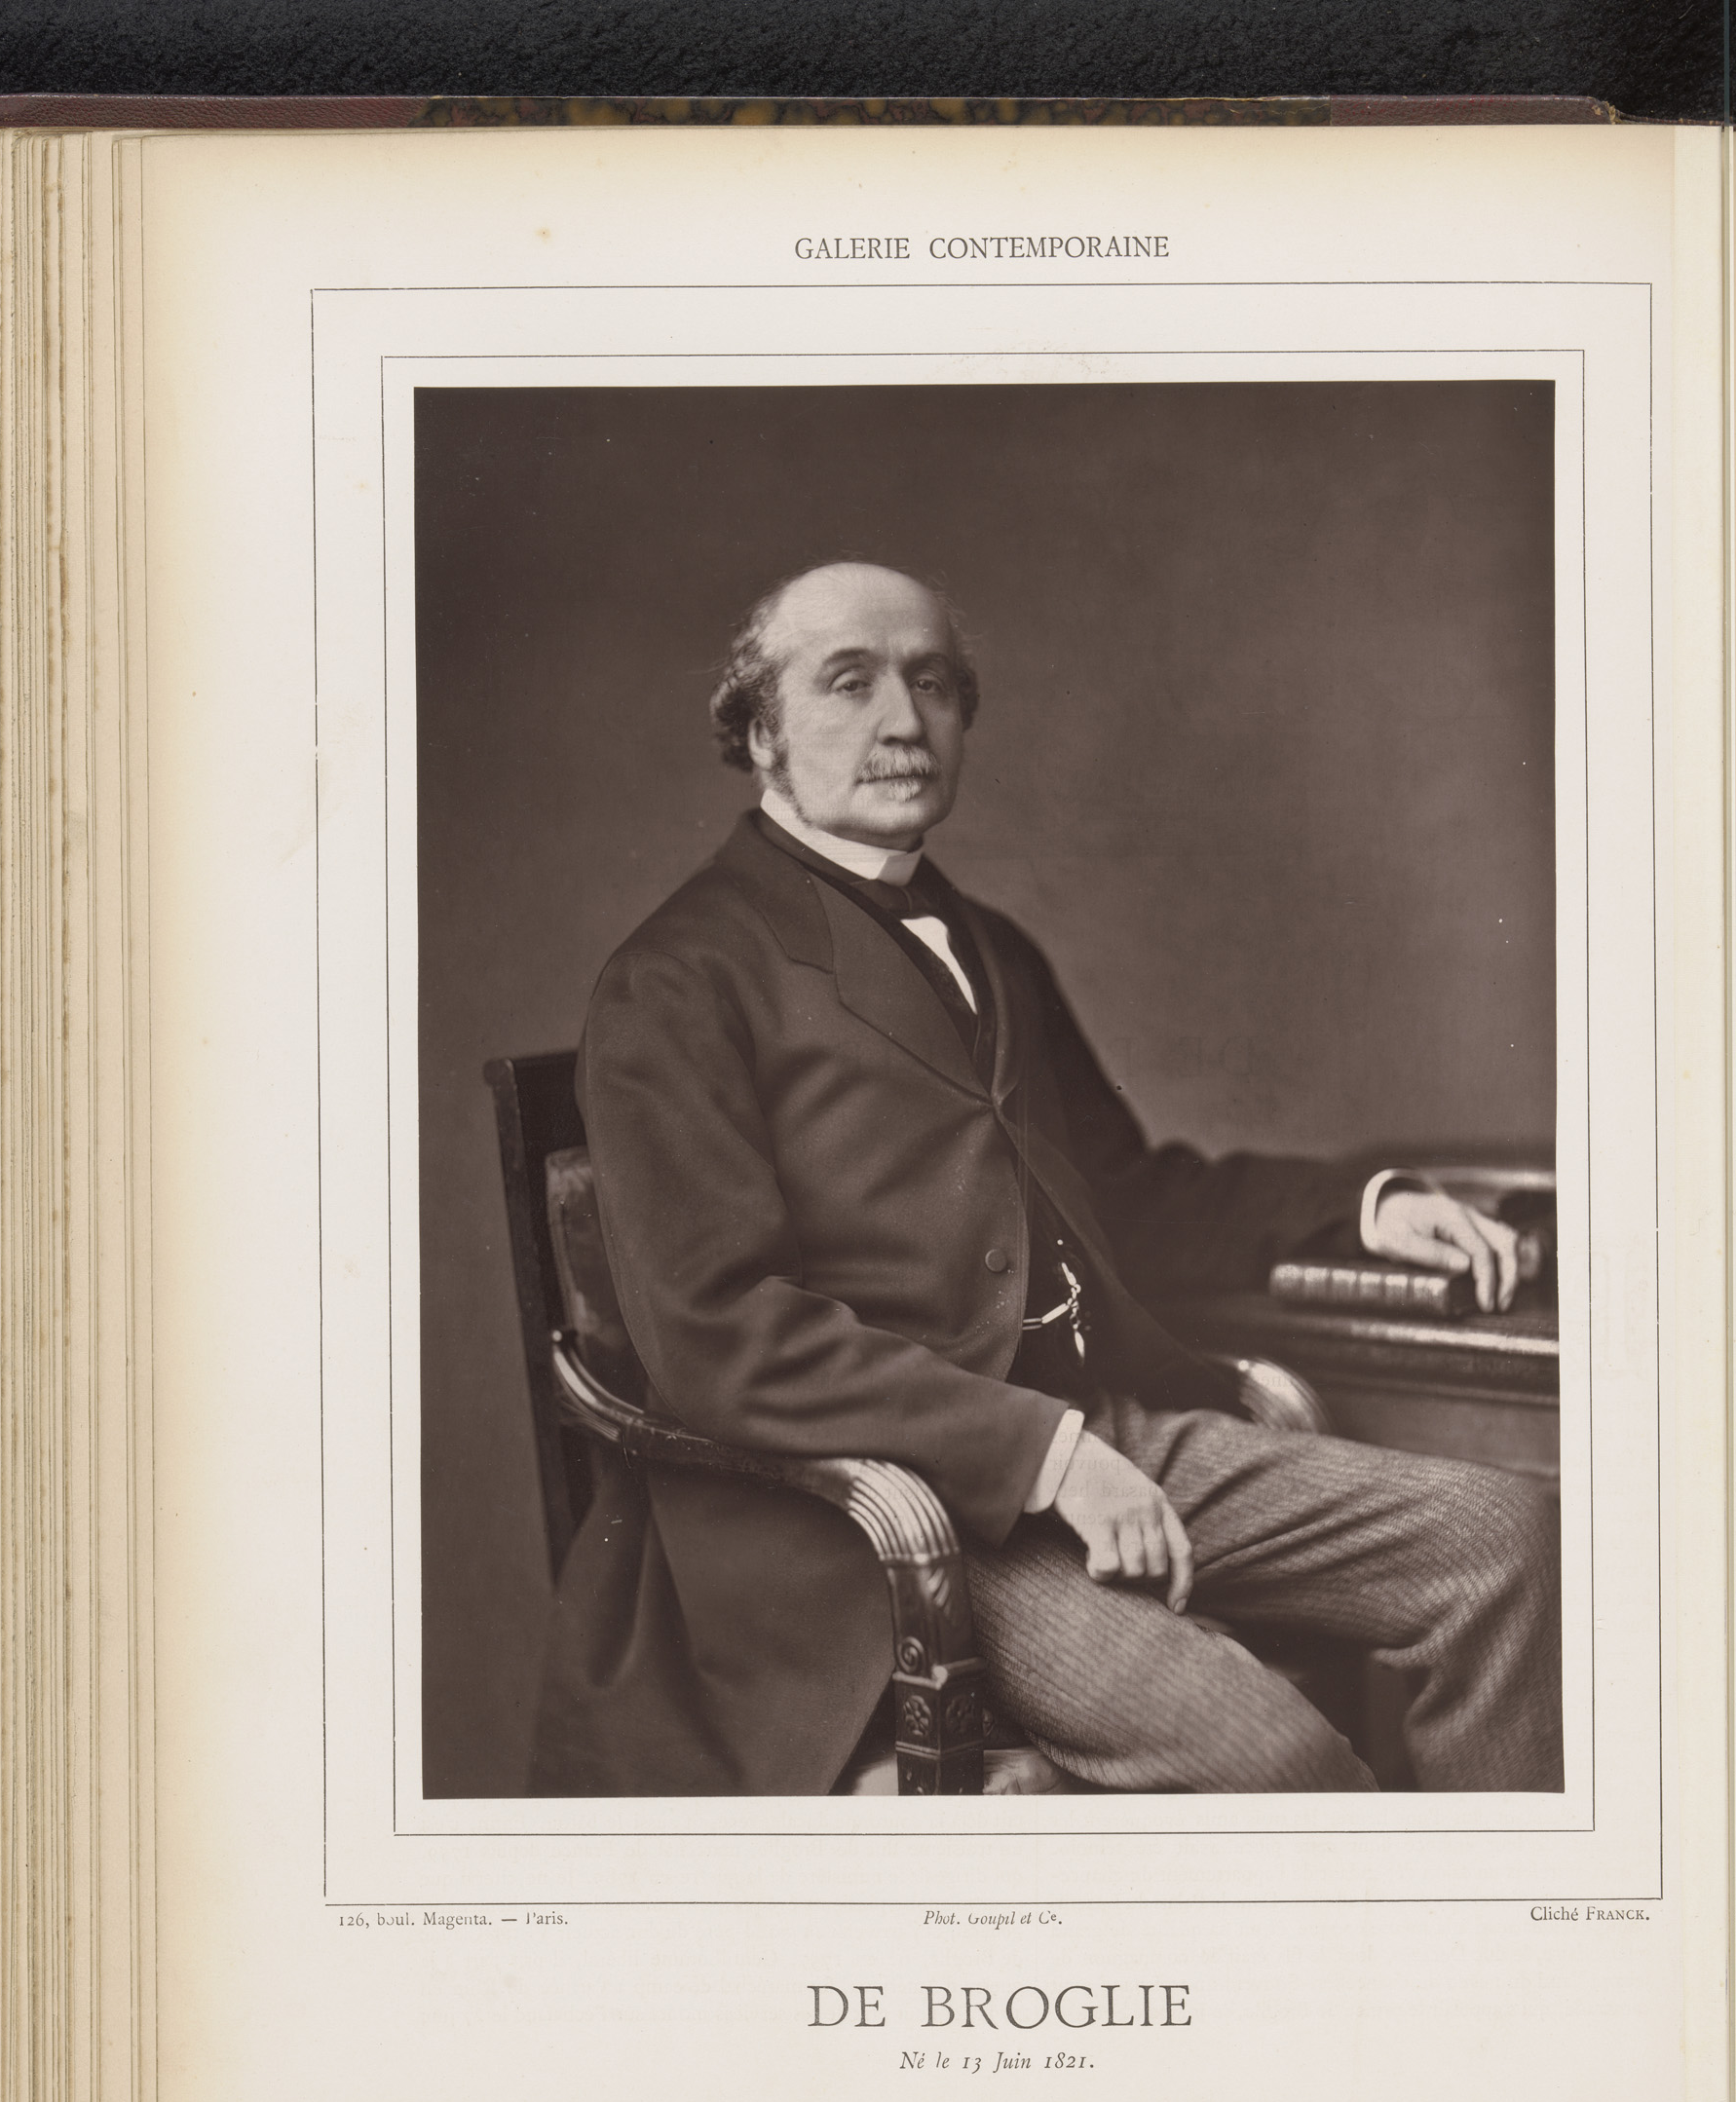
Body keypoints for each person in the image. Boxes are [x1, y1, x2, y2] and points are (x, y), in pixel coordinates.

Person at [527, 561, 1562, 1798]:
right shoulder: (677, 980)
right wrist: (1048, 1456)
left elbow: (1126, 1197)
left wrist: (1368, 1208)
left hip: (1104, 1429)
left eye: (931, 683)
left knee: (1507, 1547)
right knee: (1269, 1756)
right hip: (888, 1510)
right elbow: (719, 1331)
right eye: (848, 683)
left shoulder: (987, 945)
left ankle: (1501, 1918)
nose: (903, 722)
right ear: (760, 733)